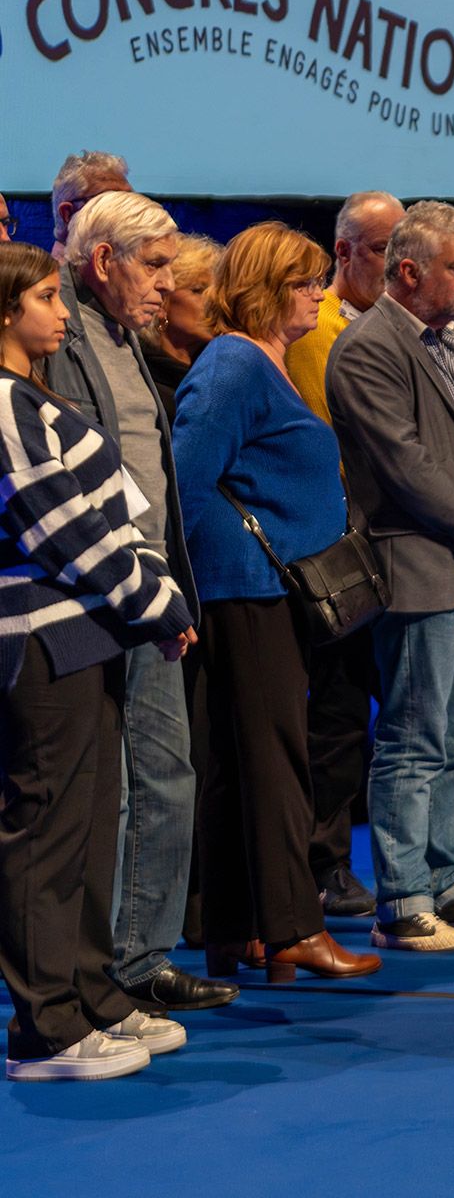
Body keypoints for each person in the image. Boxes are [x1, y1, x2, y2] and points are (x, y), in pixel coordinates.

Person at [0, 243, 196, 1082]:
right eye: (46, 297)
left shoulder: (30, 395)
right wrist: (156, 602)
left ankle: (88, 995)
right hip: (41, 640)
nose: (60, 311)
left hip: (86, 631)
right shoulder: (4, 404)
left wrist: (146, 597)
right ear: (5, 310)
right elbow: (62, 526)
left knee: (84, 831)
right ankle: (43, 1029)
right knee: (47, 833)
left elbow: (111, 515)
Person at [171, 222, 382, 985]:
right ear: (263, 288)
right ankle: (293, 927)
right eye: (303, 283)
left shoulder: (262, 361)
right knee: (275, 762)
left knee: (242, 762)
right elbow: (186, 483)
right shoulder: (232, 365)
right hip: (243, 590)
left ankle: (235, 929)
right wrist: (225, 570)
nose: (319, 294)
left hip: (259, 591)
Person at [327, 201, 454, 950]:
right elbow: (406, 466)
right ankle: (402, 897)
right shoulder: (367, 347)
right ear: (409, 271)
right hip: (422, 565)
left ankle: (449, 880)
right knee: (414, 740)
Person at [41, 192, 231, 1012]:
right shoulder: (54, 338)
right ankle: (95, 973)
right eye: (153, 267)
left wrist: (169, 589)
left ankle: (141, 957)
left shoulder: (127, 339)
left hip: (154, 591)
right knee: (105, 796)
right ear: (102, 261)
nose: (167, 285)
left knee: (166, 776)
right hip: (90, 597)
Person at [283, 190, 407, 919]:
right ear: (346, 253)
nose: (396, 264)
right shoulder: (313, 328)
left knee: (384, 716)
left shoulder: (408, 325)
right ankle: (324, 863)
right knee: (333, 716)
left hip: (397, 547)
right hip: (336, 550)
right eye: (384, 248)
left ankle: (410, 863)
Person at [140, 233, 222, 412]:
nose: (214, 303)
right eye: (198, 291)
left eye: (216, 293)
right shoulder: (141, 379)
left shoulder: (220, 373)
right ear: (162, 301)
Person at [48, 151, 132, 263]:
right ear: (67, 214)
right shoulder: (52, 279)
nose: (129, 210)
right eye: (110, 200)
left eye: (130, 199)